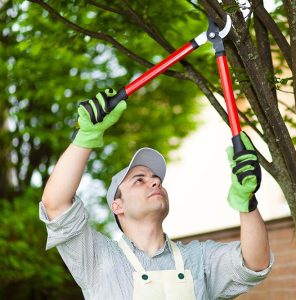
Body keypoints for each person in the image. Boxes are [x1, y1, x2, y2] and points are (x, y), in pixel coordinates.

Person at [39, 89, 273, 299]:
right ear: (117, 206)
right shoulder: (98, 259)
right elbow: (56, 204)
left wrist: (247, 203)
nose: (154, 182)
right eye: (139, 180)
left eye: (156, 179)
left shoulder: (198, 259)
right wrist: (86, 137)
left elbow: (255, 263)